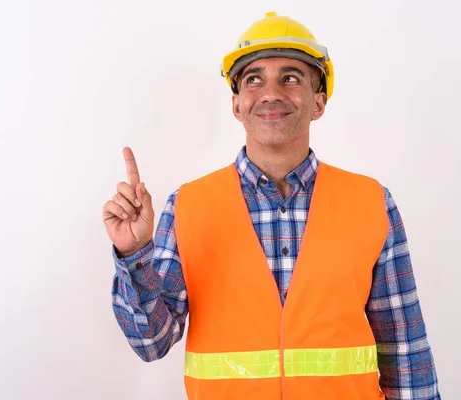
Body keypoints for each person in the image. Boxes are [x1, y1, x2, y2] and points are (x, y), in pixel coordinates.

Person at [102, 11, 440, 400]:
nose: (271, 93)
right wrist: (133, 253)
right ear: (237, 105)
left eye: (291, 78)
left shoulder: (371, 202)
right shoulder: (188, 206)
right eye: (253, 79)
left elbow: (405, 349)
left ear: (319, 102)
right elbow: (152, 342)